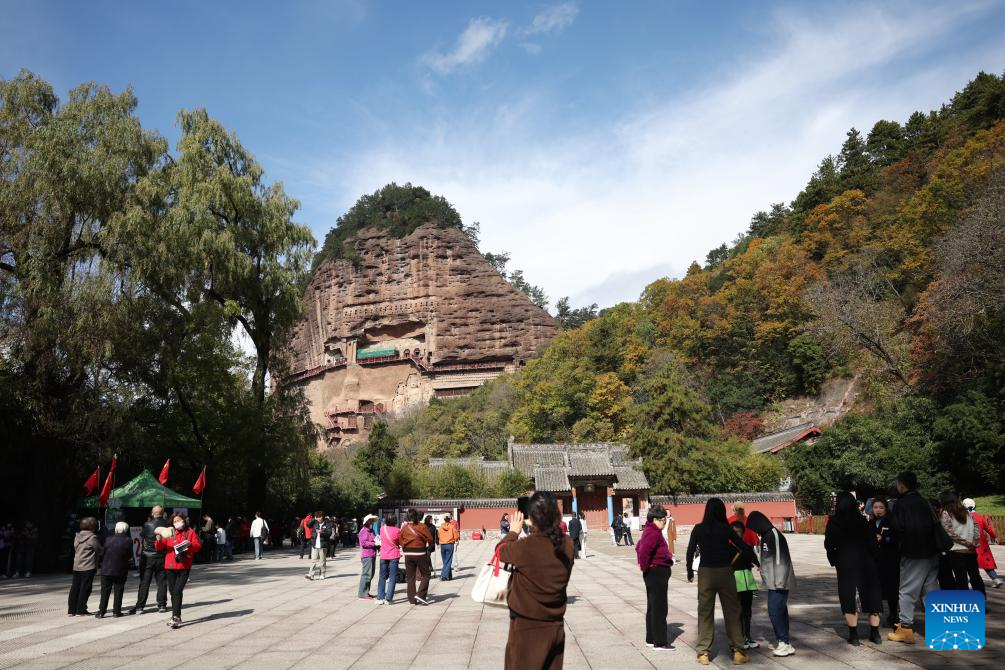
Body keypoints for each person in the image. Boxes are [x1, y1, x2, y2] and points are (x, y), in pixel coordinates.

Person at [497, 492, 575, 670]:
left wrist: (513, 532)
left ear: (531, 518)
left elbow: (500, 551)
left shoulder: (527, 546)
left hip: (528, 626)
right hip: (555, 625)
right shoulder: (568, 544)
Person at [686, 498, 753, 665]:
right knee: (733, 612)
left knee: (705, 612)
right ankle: (738, 651)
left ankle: (703, 653)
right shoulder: (726, 529)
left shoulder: (699, 528)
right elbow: (743, 546)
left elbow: (690, 550)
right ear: (722, 511)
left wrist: (689, 571)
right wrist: (754, 560)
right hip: (725, 572)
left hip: (706, 572)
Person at [887, 471, 940, 644]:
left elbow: (895, 528)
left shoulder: (902, 504)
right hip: (932, 552)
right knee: (931, 590)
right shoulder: (925, 502)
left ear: (901, 485)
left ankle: (906, 629)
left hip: (913, 553)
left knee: (907, 591)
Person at [825, 493, 883, 646]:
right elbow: (873, 543)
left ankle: (854, 636)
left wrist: (834, 560)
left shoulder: (833, 522)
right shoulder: (863, 521)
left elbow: (829, 545)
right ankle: (875, 634)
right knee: (872, 595)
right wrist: (875, 558)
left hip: (845, 562)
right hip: (866, 561)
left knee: (848, 596)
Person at [746, 511, 796, 657]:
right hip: (773, 581)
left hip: (778, 582)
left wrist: (779, 582)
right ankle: (784, 641)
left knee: (774, 611)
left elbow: (780, 560)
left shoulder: (773, 535)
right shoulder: (767, 536)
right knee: (780, 610)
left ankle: (783, 642)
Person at [635, 507, 674, 650]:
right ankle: (660, 641)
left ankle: (651, 639)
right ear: (655, 520)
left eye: (665, 519)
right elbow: (643, 551)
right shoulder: (653, 533)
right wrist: (646, 567)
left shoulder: (652, 531)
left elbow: (639, 546)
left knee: (653, 606)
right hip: (656, 572)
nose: (664, 522)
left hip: (655, 572)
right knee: (659, 608)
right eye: (663, 520)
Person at [155, 513, 202, 629]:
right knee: (173, 592)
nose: (177, 523)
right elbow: (159, 547)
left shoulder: (190, 532)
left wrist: (189, 545)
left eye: (179, 520)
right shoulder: (170, 532)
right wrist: (159, 540)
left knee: (177, 590)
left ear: (184, 521)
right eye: (175, 521)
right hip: (170, 566)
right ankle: (177, 616)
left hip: (184, 566)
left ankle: (175, 616)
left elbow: (198, 546)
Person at [939, 491, 984, 597]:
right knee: (975, 577)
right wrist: (974, 543)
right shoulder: (967, 512)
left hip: (956, 551)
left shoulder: (946, 513)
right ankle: (981, 602)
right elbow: (976, 527)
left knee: (961, 579)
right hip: (971, 550)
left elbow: (949, 533)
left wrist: (967, 543)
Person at [129, 506, 169, 615]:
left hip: (148, 556)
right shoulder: (167, 524)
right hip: (162, 555)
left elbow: (142, 536)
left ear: (152, 513)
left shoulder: (148, 524)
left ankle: (140, 606)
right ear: (163, 513)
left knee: (144, 582)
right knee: (161, 582)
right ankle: (162, 605)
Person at [730, 521, 760, 650]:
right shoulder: (727, 549)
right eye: (734, 532)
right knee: (737, 612)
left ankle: (747, 636)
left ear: (743, 533)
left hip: (747, 582)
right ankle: (738, 637)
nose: (737, 535)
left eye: (739, 532)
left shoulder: (747, 547)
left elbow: (755, 560)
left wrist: (758, 564)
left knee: (747, 611)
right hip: (734, 582)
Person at [871, 498, 900, 627]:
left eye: (881, 507)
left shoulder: (892, 521)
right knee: (876, 587)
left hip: (890, 559)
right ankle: (876, 613)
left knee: (892, 588)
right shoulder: (870, 522)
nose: (878, 510)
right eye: (875, 507)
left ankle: (894, 614)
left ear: (886, 508)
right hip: (875, 559)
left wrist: (884, 539)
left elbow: (896, 538)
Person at [96, 522, 133, 618]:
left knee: (104, 591)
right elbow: (129, 555)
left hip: (106, 568)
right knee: (118, 590)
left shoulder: (108, 539)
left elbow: (102, 552)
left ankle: (101, 612)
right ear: (126, 530)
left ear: (116, 529)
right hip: (120, 569)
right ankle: (116, 611)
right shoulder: (128, 540)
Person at [965, 498, 1003, 588]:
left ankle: (968, 582)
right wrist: (995, 537)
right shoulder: (979, 517)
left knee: (968, 563)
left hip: (970, 544)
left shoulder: (964, 517)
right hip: (982, 544)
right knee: (986, 562)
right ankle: (995, 579)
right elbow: (989, 529)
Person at [68, 517, 102, 617]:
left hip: (77, 566)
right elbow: (99, 550)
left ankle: (71, 610)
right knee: (85, 588)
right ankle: (81, 610)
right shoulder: (92, 538)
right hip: (88, 566)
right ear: (93, 526)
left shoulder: (77, 537)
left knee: (75, 587)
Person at [400, 509, 434, 605]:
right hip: (419, 552)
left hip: (408, 554)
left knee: (410, 577)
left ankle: (412, 599)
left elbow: (400, 541)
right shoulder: (422, 526)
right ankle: (421, 595)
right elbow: (430, 538)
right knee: (426, 574)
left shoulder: (404, 528)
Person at [377, 514, 401, 604]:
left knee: (382, 576)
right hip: (394, 555)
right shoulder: (398, 530)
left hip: (383, 555)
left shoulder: (382, 529)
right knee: (392, 577)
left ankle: (380, 597)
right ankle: (388, 598)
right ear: (395, 521)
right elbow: (400, 542)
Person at [305, 511, 332, 580]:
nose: (319, 518)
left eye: (320, 517)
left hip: (323, 545)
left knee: (322, 561)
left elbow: (329, 533)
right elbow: (308, 524)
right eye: (317, 517)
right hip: (315, 544)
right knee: (313, 560)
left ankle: (322, 574)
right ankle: (311, 574)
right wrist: (314, 519)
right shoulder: (315, 523)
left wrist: (321, 532)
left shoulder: (328, 524)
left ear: (323, 517)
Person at [358, 514, 378, 599]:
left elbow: (375, 538)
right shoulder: (363, 531)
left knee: (371, 574)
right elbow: (364, 543)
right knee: (366, 574)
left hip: (372, 554)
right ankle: (362, 593)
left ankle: (366, 591)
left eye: (373, 520)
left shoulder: (371, 530)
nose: (372, 522)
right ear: (366, 521)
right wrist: (374, 543)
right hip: (366, 555)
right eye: (371, 520)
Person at [438, 514, 460, 580]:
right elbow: (456, 536)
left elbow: (439, 535)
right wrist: (456, 540)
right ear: (450, 519)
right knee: (448, 560)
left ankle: (449, 576)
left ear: (444, 519)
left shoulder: (440, 527)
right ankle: (444, 576)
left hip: (442, 545)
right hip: (450, 544)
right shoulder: (452, 527)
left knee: (445, 560)